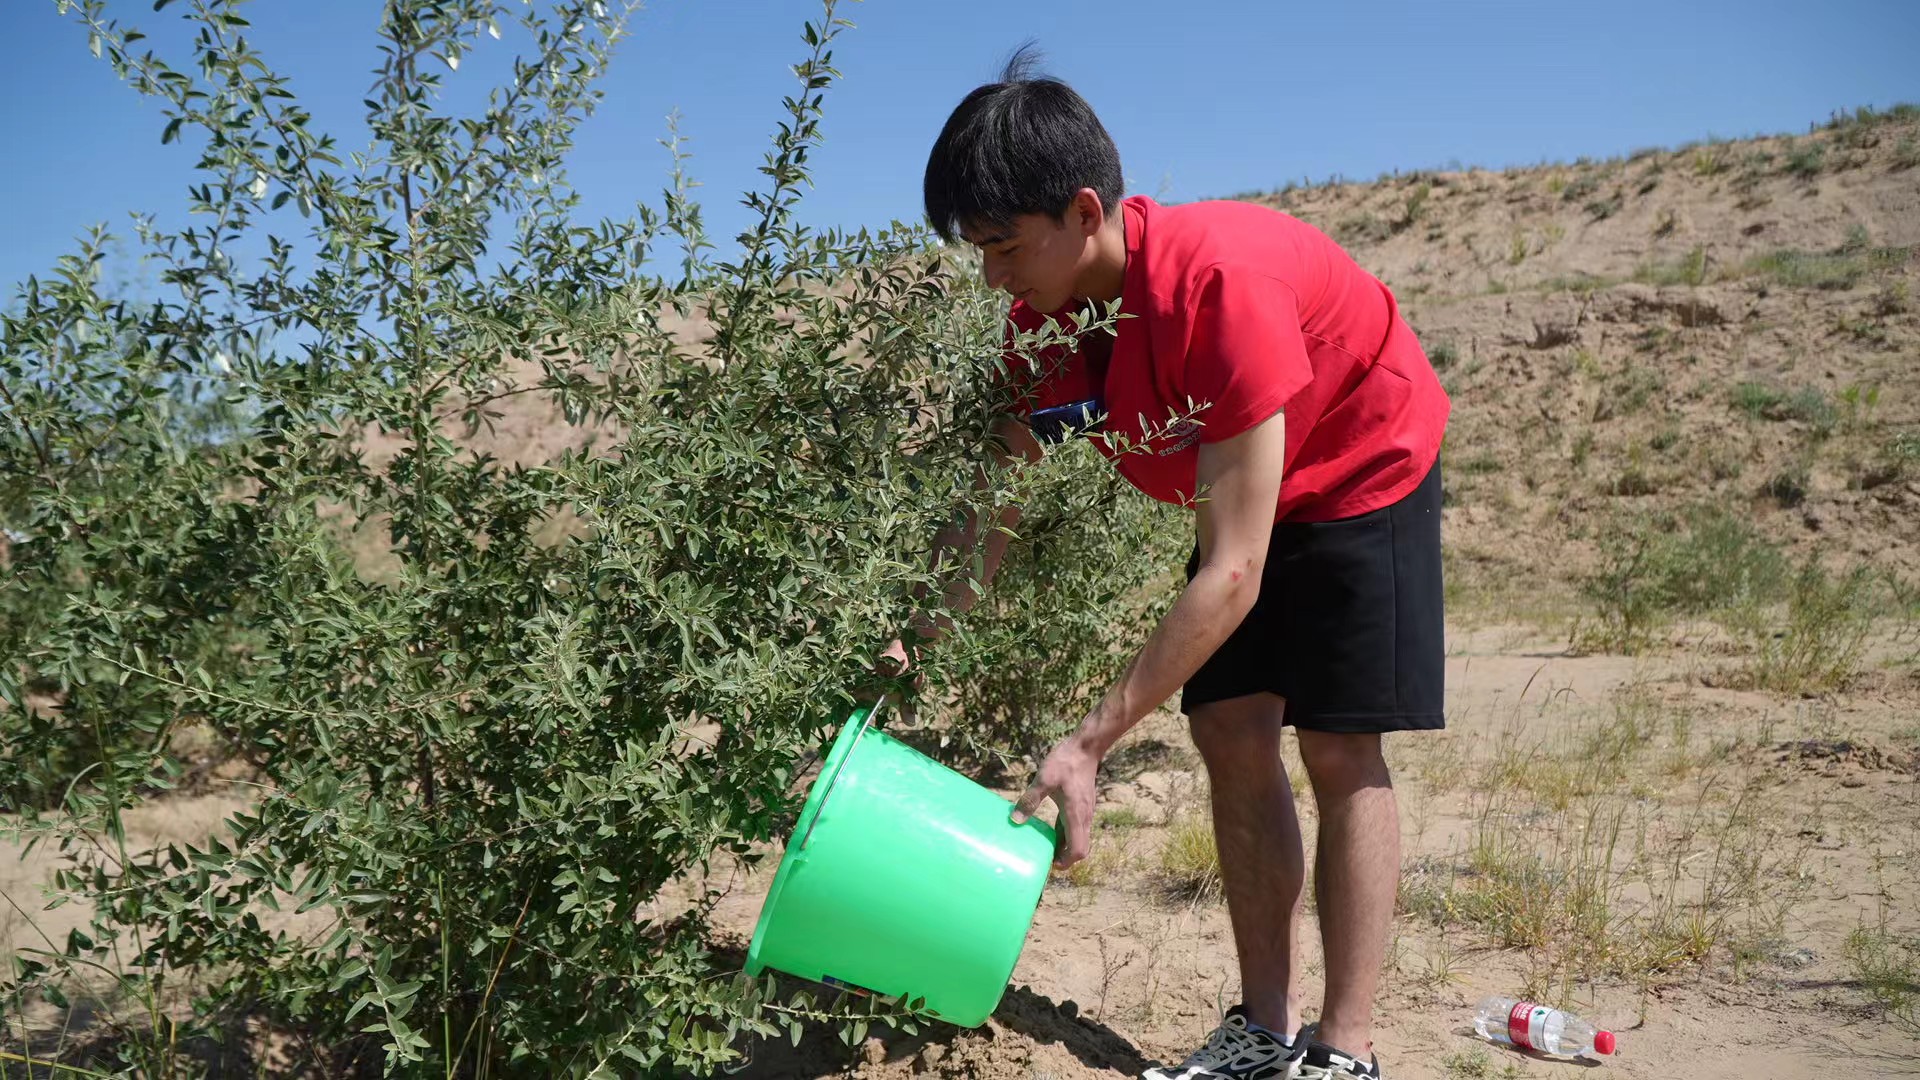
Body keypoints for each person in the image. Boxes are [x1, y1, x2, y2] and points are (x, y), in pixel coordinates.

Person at [885, 47, 1450, 1080]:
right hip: (1253, 485)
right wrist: (910, 642)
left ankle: (1346, 1049)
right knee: (1230, 726)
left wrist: (1092, 740)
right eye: (978, 252)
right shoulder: (1046, 329)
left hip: (1365, 463)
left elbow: (1233, 569)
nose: (992, 275)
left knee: (1337, 747)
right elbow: (990, 516)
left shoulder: (1218, 284)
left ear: (1086, 209)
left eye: (1006, 245)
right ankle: (1264, 1032)